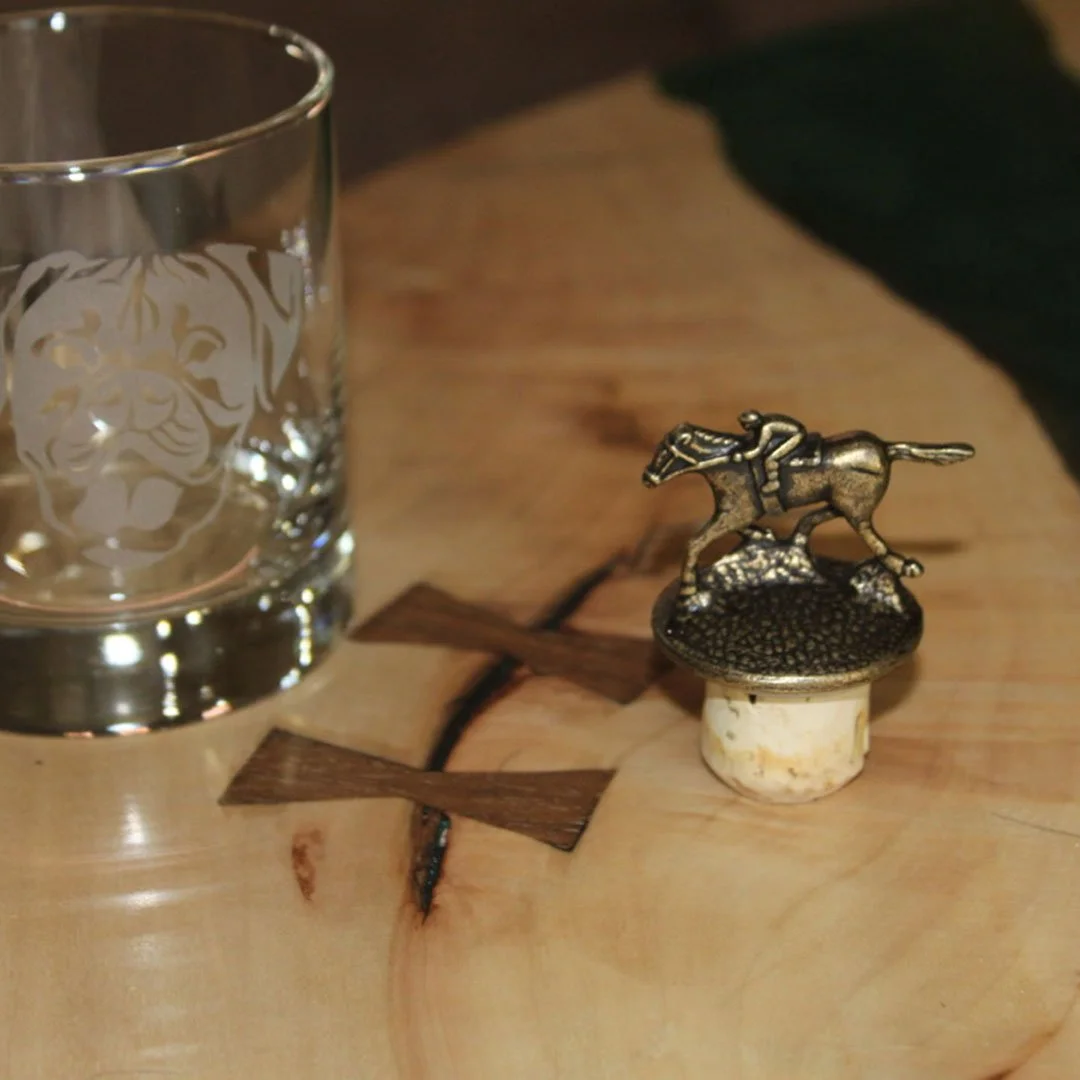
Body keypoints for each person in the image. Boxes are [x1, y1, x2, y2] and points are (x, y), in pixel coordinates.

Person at [733, 409, 806, 494]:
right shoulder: (764, 420)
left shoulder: (766, 428)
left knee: (770, 459)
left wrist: (742, 456)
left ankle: (773, 482)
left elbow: (759, 450)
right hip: (794, 431)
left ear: (748, 425)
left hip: (797, 435)